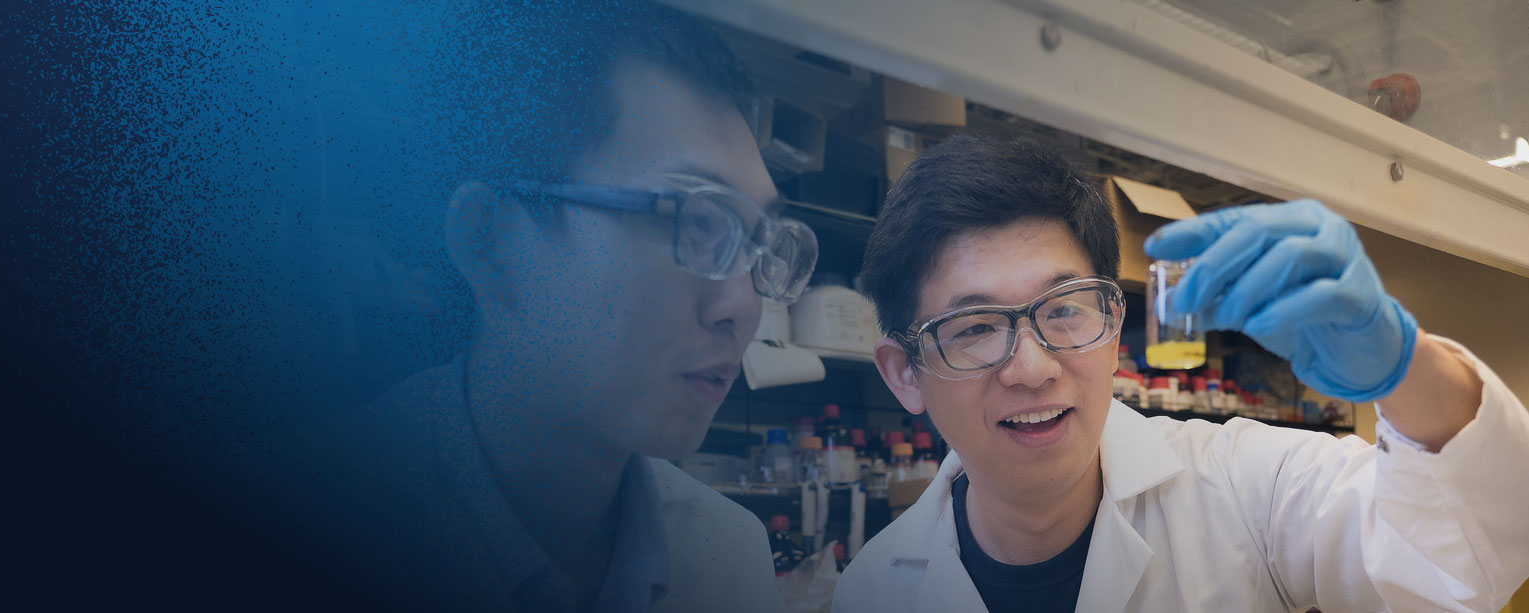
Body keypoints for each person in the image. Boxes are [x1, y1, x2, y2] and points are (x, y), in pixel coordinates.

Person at [248, 2, 814, 610]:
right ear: (489, 243)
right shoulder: (281, 523)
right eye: (694, 221)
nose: (741, 306)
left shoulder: (724, 555)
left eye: (760, 244)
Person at [832, 134, 1529, 612]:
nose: (1032, 367)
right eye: (977, 326)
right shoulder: (869, 589)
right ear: (905, 374)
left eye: (1066, 309)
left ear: (1112, 334)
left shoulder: (1244, 489)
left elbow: (1463, 565)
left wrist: (1402, 367)